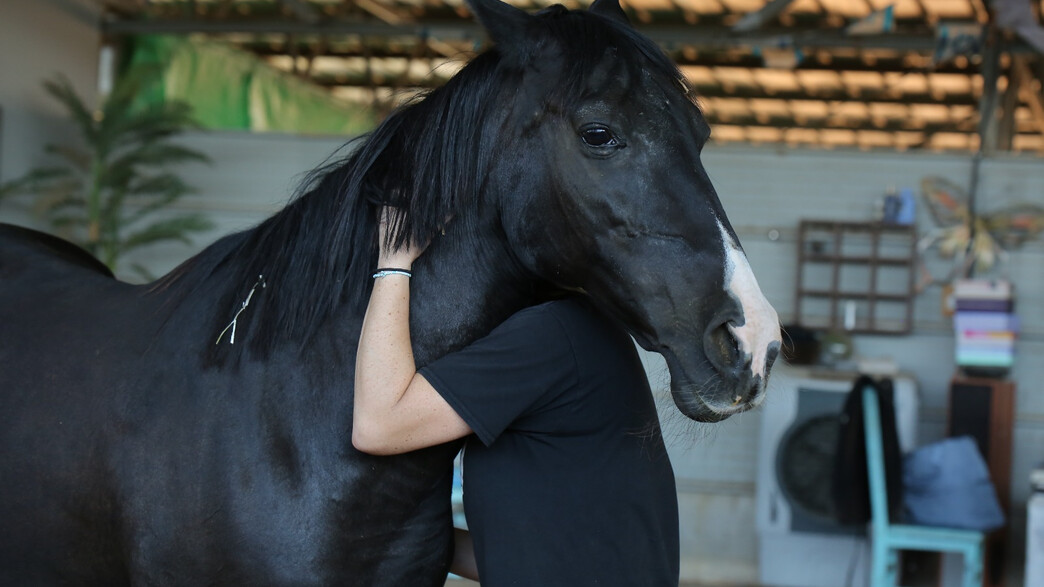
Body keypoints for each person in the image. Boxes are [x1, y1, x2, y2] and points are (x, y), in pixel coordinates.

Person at [353, 209, 679, 586]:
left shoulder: (553, 335)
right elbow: (530, 557)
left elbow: (379, 427)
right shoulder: (585, 333)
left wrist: (394, 262)